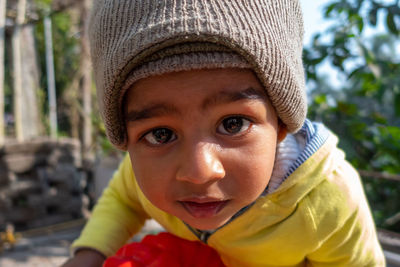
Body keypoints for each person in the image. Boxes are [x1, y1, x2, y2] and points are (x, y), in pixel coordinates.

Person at [62, 0, 385, 266]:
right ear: (126, 141)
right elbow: (124, 200)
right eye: (161, 134)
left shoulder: (326, 201)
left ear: (283, 123)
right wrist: (88, 255)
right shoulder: (140, 173)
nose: (199, 172)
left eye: (233, 124)